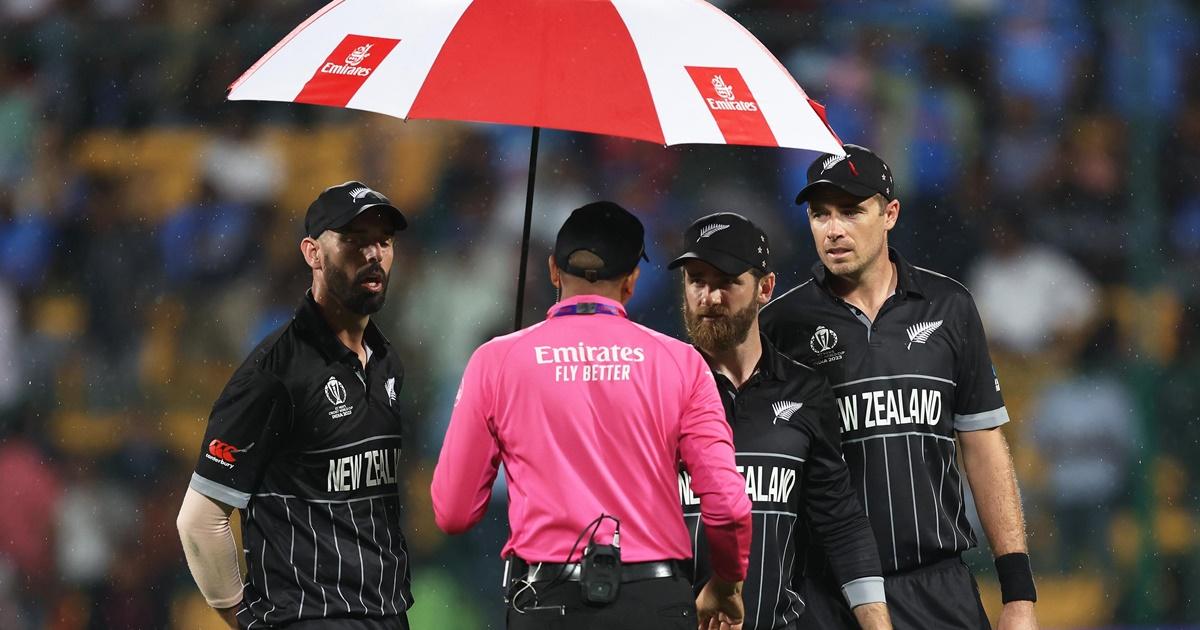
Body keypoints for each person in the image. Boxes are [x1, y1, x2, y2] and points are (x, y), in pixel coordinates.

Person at [431, 201, 753, 630]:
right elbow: (728, 506)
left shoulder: (495, 360)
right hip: (652, 603)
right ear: (632, 280)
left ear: (553, 270)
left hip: (546, 602)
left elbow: (453, 512)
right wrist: (727, 583)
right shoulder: (682, 363)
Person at [759, 145, 1039, 630]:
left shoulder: (949, 307)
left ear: (889, 214)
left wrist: (1018, 593)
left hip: (938, 587)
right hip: (826, 596)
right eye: (820, 214)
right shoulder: (780, 326)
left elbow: (983, 445)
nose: (833, 229)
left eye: (851, 211)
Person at [177, 181, 414, 629]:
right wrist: (246, 620)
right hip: (309, 618)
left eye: (384, 241)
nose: (373, 254)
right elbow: (201, 520)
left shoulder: (387, 362)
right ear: (313, 253)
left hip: (388, 615)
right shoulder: (274, 373)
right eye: (354, 241)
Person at [670, 212, 892, 630]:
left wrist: (878, 624)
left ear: (765, 288)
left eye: (727, 282)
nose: (709, 297)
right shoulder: (658, 391)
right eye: (696, 280)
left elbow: (840, 523)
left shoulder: (806, 392)